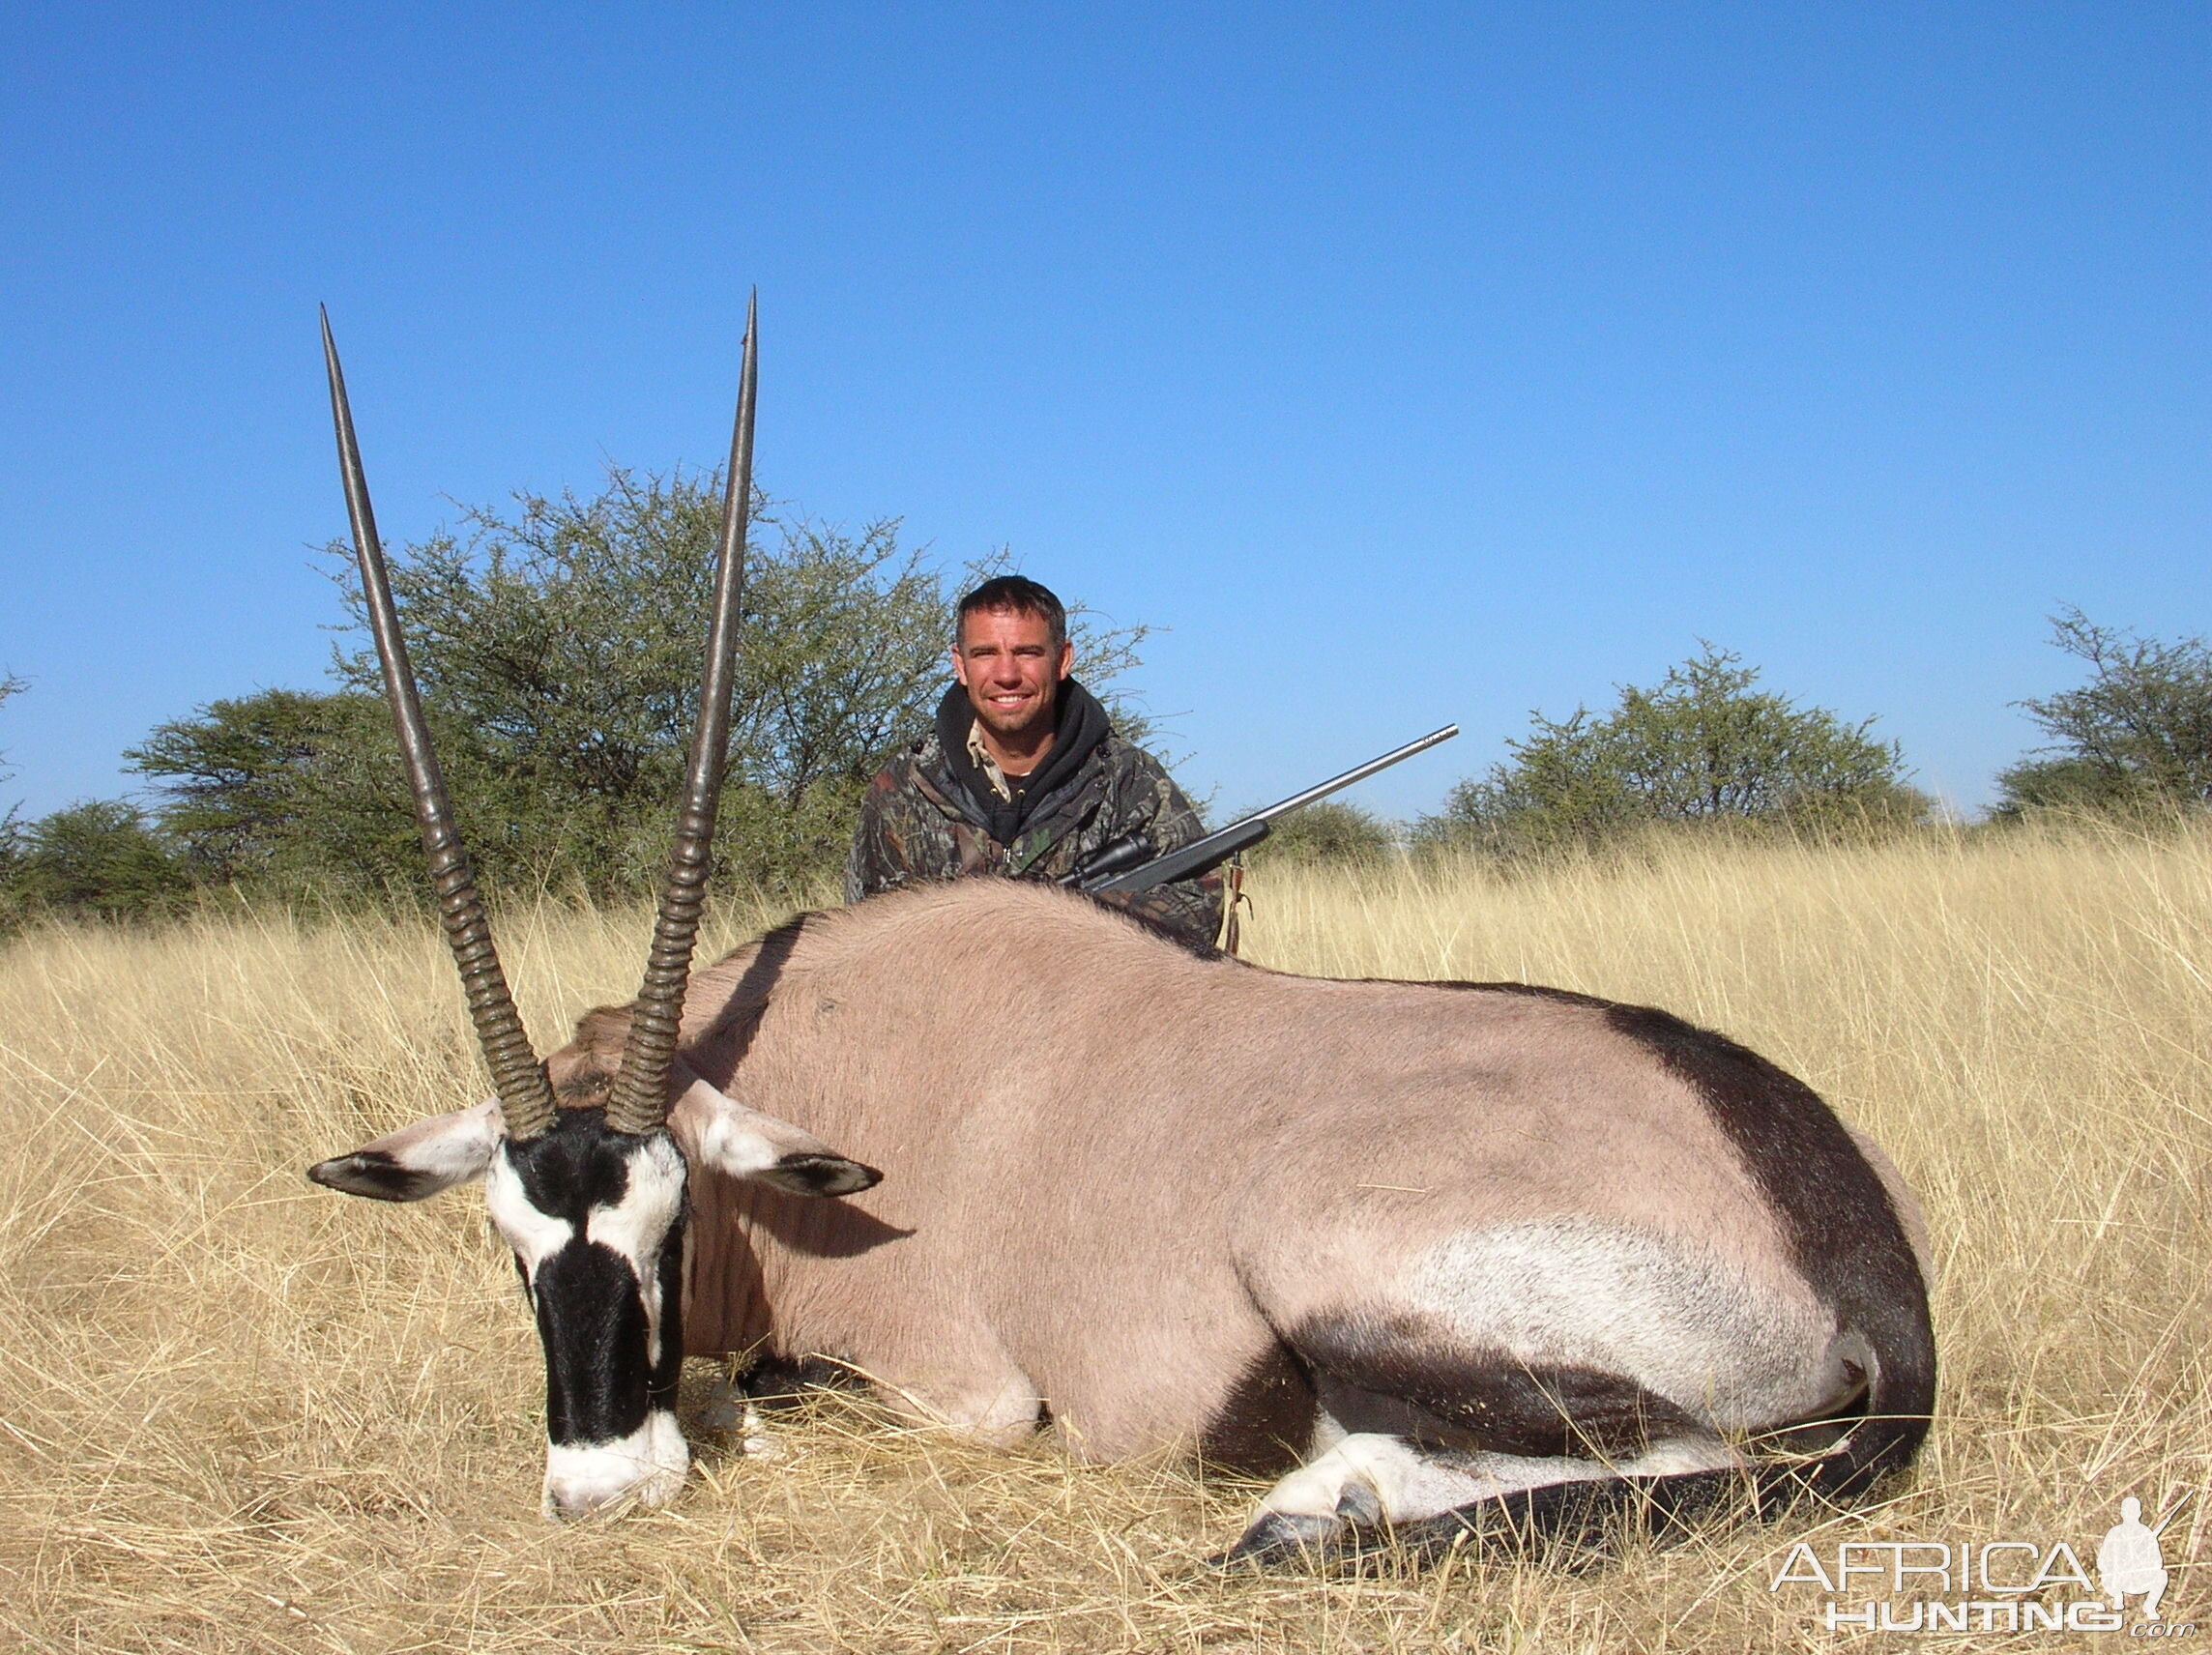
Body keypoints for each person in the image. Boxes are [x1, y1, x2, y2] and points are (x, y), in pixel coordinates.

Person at [846, 575, 1224, 952]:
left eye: (1027, 652)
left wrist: (1060, 919)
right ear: (960, 665)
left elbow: (1197, 910)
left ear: (1062, 660)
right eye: (985, 654)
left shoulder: (1128, 778)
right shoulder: (904, 785)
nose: (1007, 675)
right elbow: (863, 935)